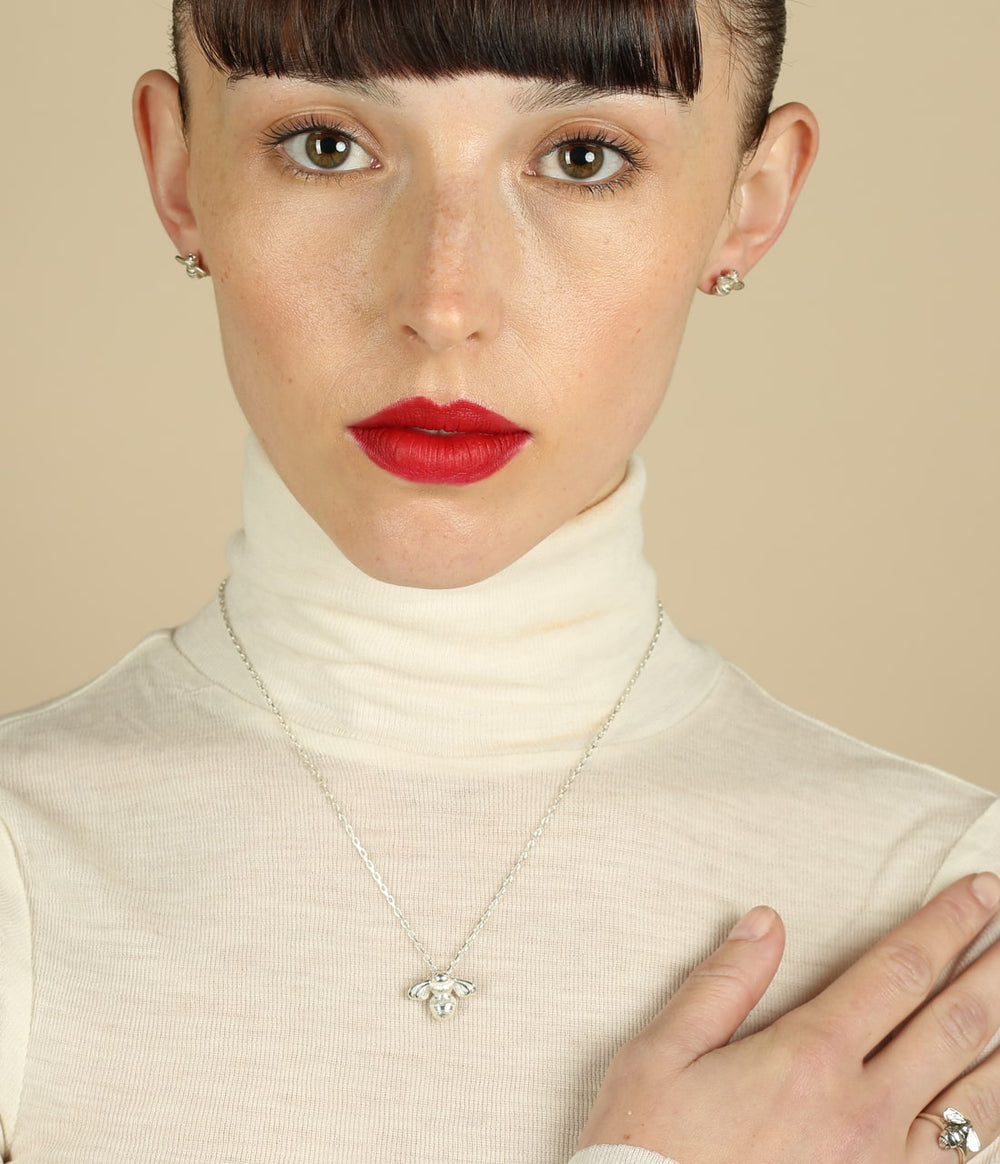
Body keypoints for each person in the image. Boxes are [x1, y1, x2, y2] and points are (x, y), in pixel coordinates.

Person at [0, 1, 997, 1161]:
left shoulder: (942, 914)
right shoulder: (27, 858)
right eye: (327, 144)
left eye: (583, 158)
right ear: (180, 174)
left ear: (751, 199)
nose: (442, 303)